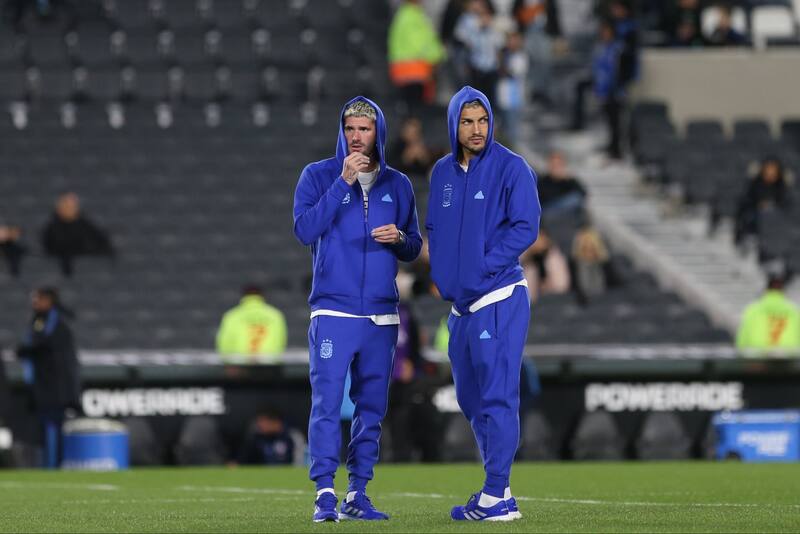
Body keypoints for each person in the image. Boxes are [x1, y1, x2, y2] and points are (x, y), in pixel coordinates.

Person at [293, 97, 422, 522]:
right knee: (327, 404)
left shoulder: (399, 184)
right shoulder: (318, 175)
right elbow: (305, 229)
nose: (356, 136)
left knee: (371, 408)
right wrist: (342, 184)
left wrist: (399, 238)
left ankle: (357, 492)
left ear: (378, 133)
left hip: (382, 316)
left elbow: (414, 247)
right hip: (333, 311)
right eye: (350, 127)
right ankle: (324, 493)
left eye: (364, 129)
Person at [426, 86, 540, 521]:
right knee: (471, 400)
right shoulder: (441, 172)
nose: (476, 130)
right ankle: (502, 492)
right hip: (460, 307)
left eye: (483, 121)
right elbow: (435, 227)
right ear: (454, 124)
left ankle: (495, 495)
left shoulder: (512, 167)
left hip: (499, 296)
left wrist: (482, 267)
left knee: (498, 396)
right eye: (467, 121)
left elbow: (526, 226)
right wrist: (444, 277)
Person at [15, 287, 81, 469]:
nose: (35, 302)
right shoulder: (39, 321)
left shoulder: (56, 323)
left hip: (53, 389)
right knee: (43, 429)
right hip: (41, 388)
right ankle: (47, 464)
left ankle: (52, 466)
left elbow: (43, 346)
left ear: (49, 300)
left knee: (53, 428)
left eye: (39, 298)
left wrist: (25, 350)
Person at [388, 0, 446, 111]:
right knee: (417, 111)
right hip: (415, 71)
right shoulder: (412, 16)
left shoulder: (404, 14)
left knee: (410, 108)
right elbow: (421, 42)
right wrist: (438, 54)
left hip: (405, 70)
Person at [41, 191, 114, 277]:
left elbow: (101, 241)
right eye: (66, 205)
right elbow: (53, 246)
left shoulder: (85, 224)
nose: (69, 208)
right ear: (59, 207)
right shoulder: (52, 227)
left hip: (87, 266)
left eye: (72, 205)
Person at [215, 285, 288, 362]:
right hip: (269, 365)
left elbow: (225, 343)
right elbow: (281, 341)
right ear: (262, 296)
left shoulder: (232, 315)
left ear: (243, 296)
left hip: (240, 365)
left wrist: (227, 362)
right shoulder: (275, 315)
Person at [736, 264, 800, 351]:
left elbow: (742, 343)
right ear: (783, 289)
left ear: (766, 289)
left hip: (759, 360)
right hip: (788, 360)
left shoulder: (753, 310)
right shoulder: (794, 311)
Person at [455, 0, 504, 106]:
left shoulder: (494, 32)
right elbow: (465, 41)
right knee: (477, 94)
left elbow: (499, 48)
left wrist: (500, 64)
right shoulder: (470, 24)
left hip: (491, 67)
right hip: (477, 66)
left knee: (491, 96)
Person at [734, 157, 791, 247]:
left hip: (774, 218)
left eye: (773, 169)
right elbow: (747, 199)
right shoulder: (756, 183)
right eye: (768, 168)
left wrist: (772, 206)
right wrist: (758, 205)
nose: (770, 172)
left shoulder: (781, 187)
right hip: (755, 214)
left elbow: (785, 203)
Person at [237, 408, 306, 466]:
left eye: (263, 422)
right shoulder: (257, 437)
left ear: (274, 421)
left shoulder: (292, 435)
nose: (259, 425)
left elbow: (301, 460)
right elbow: (244, 459)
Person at [537, 151, 587, 215]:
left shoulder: (568, 180)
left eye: (558, 165)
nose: (556, 168)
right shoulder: (543, 181)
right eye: (553, 165)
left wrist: (566, 180)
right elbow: (545, 199)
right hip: (548, 211)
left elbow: (582, 193)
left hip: (565, 213)